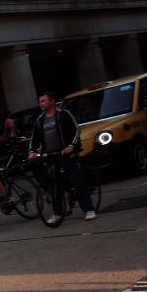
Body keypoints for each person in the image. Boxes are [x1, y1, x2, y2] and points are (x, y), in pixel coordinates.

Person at [28, 91, 96, 223]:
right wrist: (32, 151)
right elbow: (34, 139)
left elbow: (76, 130)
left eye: (43, 101)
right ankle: (57, 213)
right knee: (54, 185)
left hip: (66, 153)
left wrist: (71, 146)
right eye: (40, 101)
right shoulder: (39, 120)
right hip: (51, 156)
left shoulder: (63, 114)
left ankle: (89, 209)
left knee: (76, 181)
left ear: (52, 101)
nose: (40, 103)